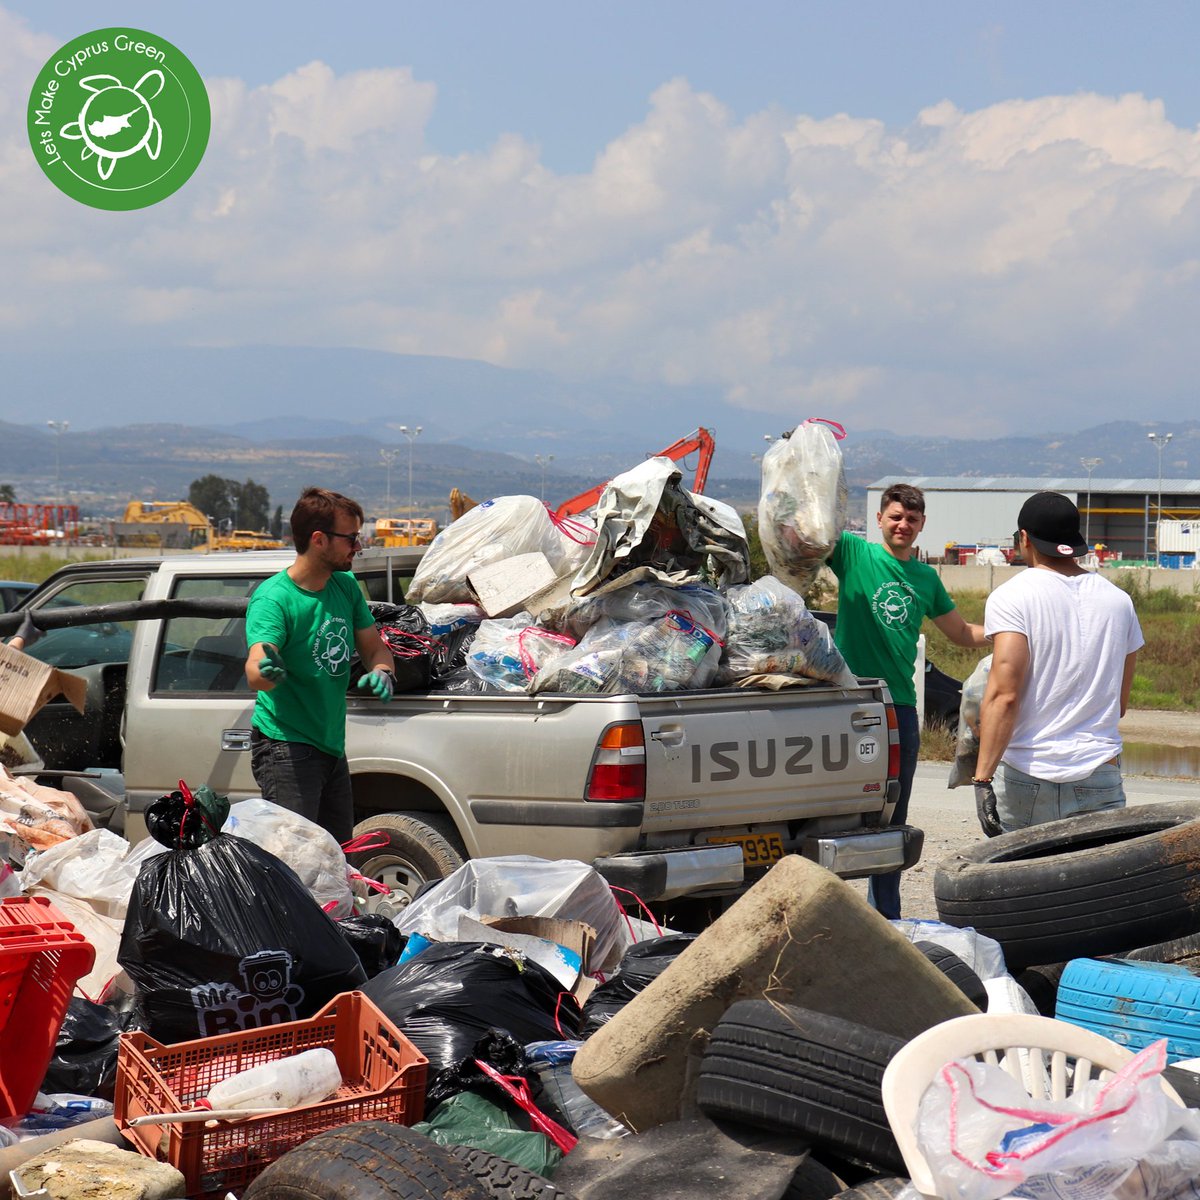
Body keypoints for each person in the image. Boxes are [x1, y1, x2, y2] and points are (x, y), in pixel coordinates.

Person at [829, 482, 986, 918]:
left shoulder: (925, 577)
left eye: (911, 519)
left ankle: (886, 917)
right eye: (895, 517)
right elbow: (806, 537)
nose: (903, 525)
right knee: (836, 811)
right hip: (850, 701)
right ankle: (826, 905)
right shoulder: (853, 554)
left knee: (892, 817)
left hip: (899, 707)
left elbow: (960, 632)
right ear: (879, 519)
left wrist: (1011, 627)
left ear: (921, 526)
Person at [972, 491, 1142, 836]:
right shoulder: (1119, 602)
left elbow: (1004, 696)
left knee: (1021, 885)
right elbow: (1119, 705)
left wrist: (982, 778)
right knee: (1097, 887)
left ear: (1024, 538)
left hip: (1026, 775)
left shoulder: (1012, 597)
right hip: (1099, 772)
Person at [244, 487, 396, 842]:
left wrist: (382, 672)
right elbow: (256, 665)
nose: (358, 546)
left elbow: (376, 649)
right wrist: (267, 671)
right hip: (286, 747)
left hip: (330, 747)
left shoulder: (344, 586)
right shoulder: (274, 599)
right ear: (319, 539)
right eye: (351, 538)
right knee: (297, 863)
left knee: (338, 856)